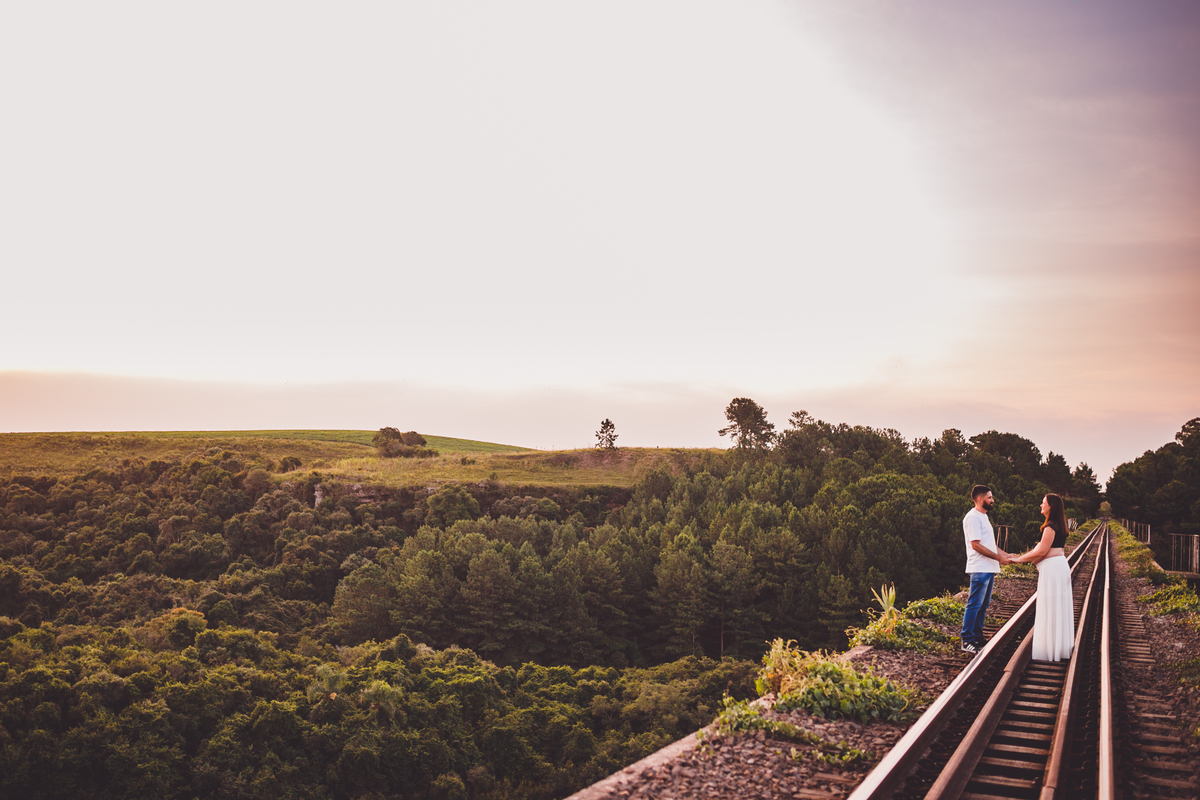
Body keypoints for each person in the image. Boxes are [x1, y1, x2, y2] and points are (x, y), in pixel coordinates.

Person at [1009, 493, 1074, 662]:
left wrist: (1017, 560)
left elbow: (1041, 551)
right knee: (1055, 608)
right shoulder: (1057, 525)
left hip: (1053, 571)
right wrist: (1022, 557)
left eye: (1043, 502)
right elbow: (1041, 551)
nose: (1041, 505)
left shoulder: (1050, 526)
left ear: (1051, 506)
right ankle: (1056, 648)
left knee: (1050, 608)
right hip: (1056, 568)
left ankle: (1049, 650)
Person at [961, 485, 1009, 654]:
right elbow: (976, 545)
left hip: (988, 568)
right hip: (980, 568)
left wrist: (1007, 555)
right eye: (989, 497)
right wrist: (999, 558)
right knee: (974, 604)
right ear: (980, 499)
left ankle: (977, 636)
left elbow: (990, 545)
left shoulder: (984, 517)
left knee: (983, 604)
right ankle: (967, 640)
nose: (992, 500)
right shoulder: (973, 517)